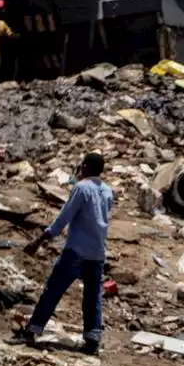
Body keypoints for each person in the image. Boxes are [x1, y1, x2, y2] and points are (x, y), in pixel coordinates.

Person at [17, 152, 114, 355]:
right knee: (92, 297)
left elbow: (64, 218)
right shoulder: (107, 191)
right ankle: (92, 338)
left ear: (85, 166)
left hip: (77, 249)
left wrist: (40, 240)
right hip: (97, 252)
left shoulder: (81, 188)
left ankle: (33, 328)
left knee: (53, 290)